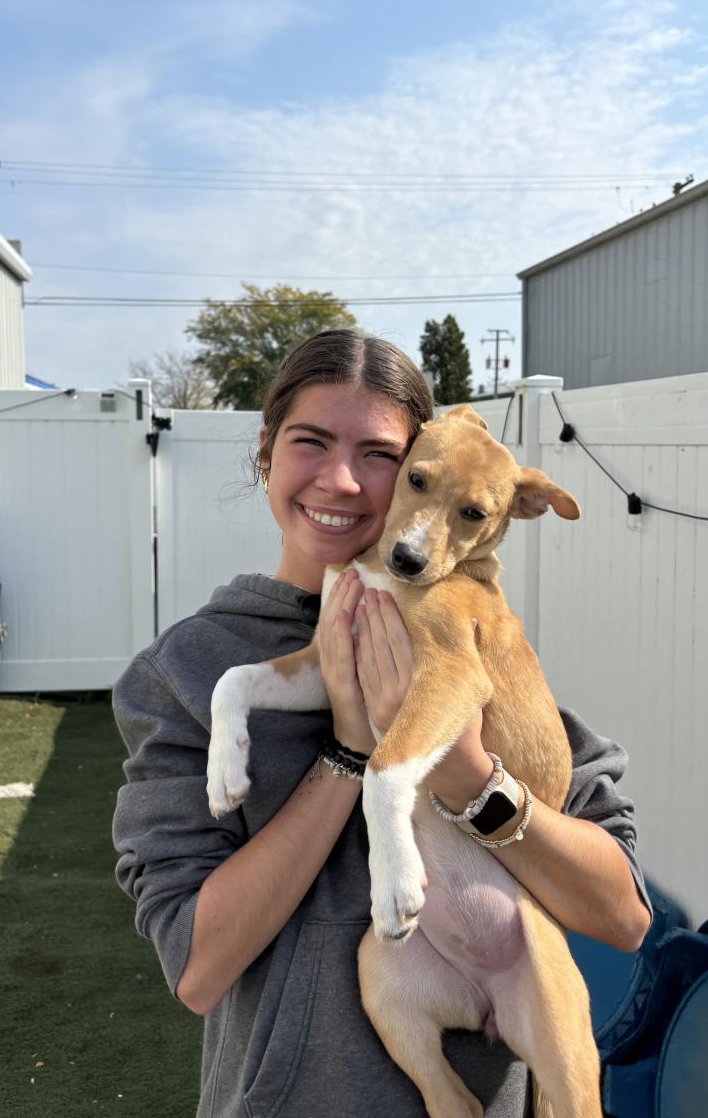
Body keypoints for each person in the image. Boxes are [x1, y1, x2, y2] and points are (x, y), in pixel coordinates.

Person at [112, 329, 651, 1118]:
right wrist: (351, 749)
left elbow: (625, 915)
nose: (340, 478)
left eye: (378, 455)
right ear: (265, 451)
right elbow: (197, 970)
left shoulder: (470, 618)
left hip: (503, 991)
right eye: (310, 441)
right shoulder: (184, 672)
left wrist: (469, 778)